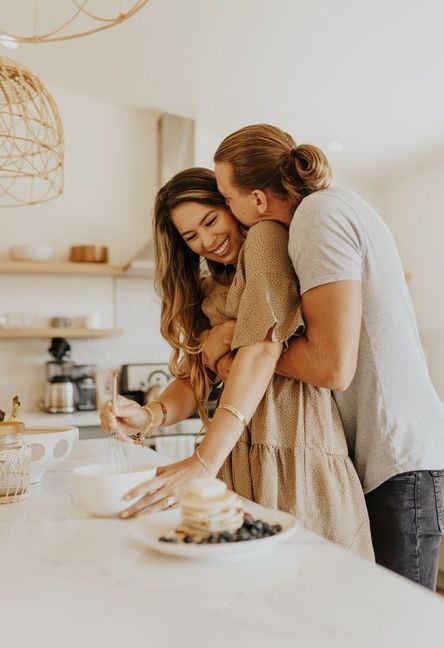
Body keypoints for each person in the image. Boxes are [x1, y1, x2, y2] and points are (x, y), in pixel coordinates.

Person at [205, 123, 444, 589]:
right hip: (394, 452)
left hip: (400, 456)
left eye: (227, 197)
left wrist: (239, 344)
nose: (227, 210)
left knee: (400, 623)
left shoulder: (316, 218)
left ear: (258, 201)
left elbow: (331, 366)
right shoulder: (331, 207)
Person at [100, 167, 374, 560]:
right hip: (235, 454)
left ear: (230, 204)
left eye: (211, 220)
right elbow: (194, 376)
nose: (208, 240)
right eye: (191, 237)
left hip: (294, 449)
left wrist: (202, 460)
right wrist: (150, 415)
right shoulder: (213, 289)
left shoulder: (265, 240)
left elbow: (262, 349)